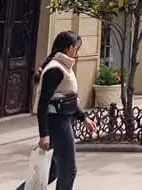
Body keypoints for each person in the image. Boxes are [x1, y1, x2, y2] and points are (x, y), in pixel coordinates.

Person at [27, 31, 97, 190]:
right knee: (68, 170)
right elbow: (43, 103)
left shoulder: (63, 67)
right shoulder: (55, 69)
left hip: (63, 120)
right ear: (69, 48)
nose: (77, 52)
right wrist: (43, 134)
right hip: (58, 123)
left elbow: (67, 99)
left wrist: (83, 118)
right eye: (76, 48)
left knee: (52, 171)